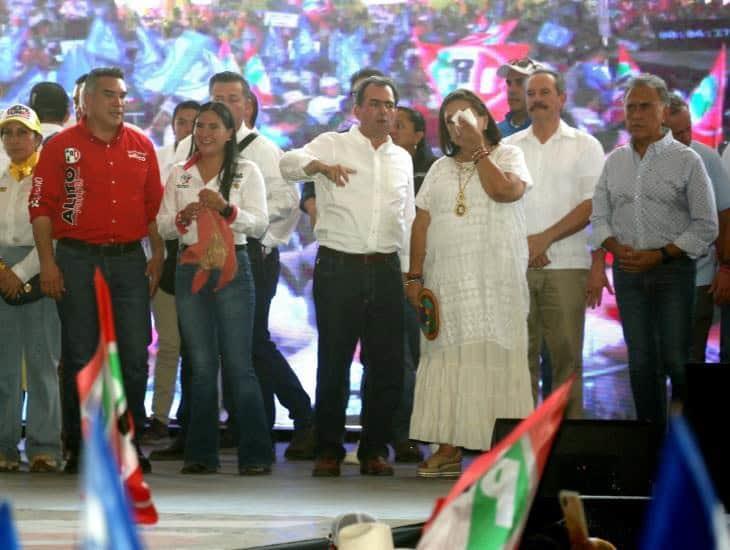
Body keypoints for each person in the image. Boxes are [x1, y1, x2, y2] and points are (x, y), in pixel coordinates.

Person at [29, 67, 165, 474]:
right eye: (109, 94)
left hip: (129, 261)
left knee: (135, 357)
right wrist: (48, 262)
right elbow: (40, 209)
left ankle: (129, 444)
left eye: (122, 94)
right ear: (86, 101)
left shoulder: (142, 145)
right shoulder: (60, 147)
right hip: (76, 258)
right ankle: (81, 447)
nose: (118, 102)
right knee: (80, 356)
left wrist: (157, 254)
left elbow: (153, 210)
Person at [280, 75, 415, 477]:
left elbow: (405, 220)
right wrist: (318, 166)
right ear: (356, 110)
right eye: (374, 104)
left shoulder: (402, 158)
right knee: (335, 362)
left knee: (386, 365)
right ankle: (329, 449)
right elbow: (287, 164)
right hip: (339, 266)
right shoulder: (332, 143)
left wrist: (411, 275)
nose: (383, 111)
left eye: (389, 104)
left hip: (387, 267)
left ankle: (374, 449)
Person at [406, 89, 534, 477]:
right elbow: (422, 221)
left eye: (463, 115)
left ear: (482, 117)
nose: (456, 125)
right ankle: (448, 450)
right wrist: (413, 276)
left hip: (497, 282)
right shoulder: (441, 169)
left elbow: (505, 191)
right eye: (448, 120)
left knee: (495, 356)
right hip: (447, 283)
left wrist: (480, 150)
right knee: (449, 358)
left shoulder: (509, 155)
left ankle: (506, 458)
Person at [590, 74, 717, 427]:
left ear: (663, 111)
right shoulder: (614, 162)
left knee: (677, 360)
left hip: (673, 272)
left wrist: (661, 255)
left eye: (645, 106)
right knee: (641, 362)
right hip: (629, 272)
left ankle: (686, 444)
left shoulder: (687, 161)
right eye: (631, 107)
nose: (636, 114)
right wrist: (615, 248)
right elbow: (599, 217)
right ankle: (650, 441)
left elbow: (706, 225)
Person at [157, 101, 272, 475]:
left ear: (228, 133)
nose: (204, 133)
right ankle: (201, 454)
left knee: (239, 365)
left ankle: (255, 454)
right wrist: (181, 218)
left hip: (233, 269)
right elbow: (162, 227)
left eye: (212, 127)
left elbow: (259, 225)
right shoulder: (179, 173)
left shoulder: (246, 170)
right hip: (190, 269)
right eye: (199, 126)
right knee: (202, 365)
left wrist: (227, 210)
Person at [504, 68, 606, 418]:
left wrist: (543, 240)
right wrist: (526, 247)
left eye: (545, 93)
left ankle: (567, 447)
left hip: (567, 265)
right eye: (531, 94)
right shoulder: (509, 148)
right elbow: (501, 205)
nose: (537, 100)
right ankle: (521, 450)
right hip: (518, 268)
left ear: (562, 98)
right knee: (519, 363)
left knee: (566, 361)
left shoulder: (585, 145)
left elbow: (592, 204)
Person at [0, 105, 62, 473]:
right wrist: (3, 271)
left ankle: (45, 447)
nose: (14, 139)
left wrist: (20, 272)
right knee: (3, 365)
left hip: (41, 268)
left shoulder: (51, 178)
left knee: (42, 363)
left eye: (22, 132)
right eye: (8, 133)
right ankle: (5, 446)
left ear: (38, 138)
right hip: (2, 271)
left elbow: (52, 234)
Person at [143, 99, 201, 443]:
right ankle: (159, 417)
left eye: (196, 123)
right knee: (169, 345)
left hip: (200, 260)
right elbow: (151, 214)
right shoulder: (158, 158)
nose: (189, 130)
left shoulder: (216, 163)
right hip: (162, 260)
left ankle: (201, 416)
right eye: (182, 122)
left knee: (202, 348)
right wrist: (158, 255)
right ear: (173, 124)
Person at [387, 106, 437, 463]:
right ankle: (401, 434)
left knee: (428, 358)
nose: (391, 130)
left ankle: (436, 432)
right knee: (398, 359)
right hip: (391, 272)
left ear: (419, 135)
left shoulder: (436, 171)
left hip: (431, 274)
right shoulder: (379, 165)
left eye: (400, 126)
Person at [664, 93, 730, 362]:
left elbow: (726, 217)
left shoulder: (708, 158)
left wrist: (725, 268)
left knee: (691, 356)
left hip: (698, 279)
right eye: (677, 133)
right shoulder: (636, 161)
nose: (686, 138)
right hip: (654, 280)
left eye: (688, 130)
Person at [496, 57, 542, 138]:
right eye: (509, 83)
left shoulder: (551, 131)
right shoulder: (496, 132)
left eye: (520, 82)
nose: (511, 90)